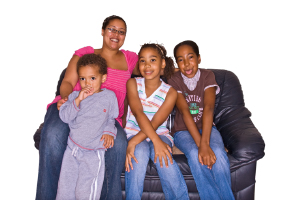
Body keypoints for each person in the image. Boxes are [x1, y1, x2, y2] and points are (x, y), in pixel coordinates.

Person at [36, 15, 139, 200]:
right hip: (74, 105)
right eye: (111, 29)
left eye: (121, 31)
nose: (116, 34)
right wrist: (68, 99)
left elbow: (152, 66)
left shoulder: (130, 59)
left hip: (106, 117)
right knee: (52, 135)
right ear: (102, 31)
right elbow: (68, 81)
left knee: (119, 143)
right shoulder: (84, 52)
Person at [167, 40, 235, 200]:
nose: (186, 64)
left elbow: (209, 108)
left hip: (207, 128)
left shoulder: (207, 75)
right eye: (180, 60)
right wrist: (201, 146)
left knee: (217, 152)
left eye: (190, 57)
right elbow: (184, 111)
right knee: (195, 154)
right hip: (182, 131)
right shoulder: (174, 79)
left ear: (199, 58)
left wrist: (205, 143)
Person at [124, 43, 189, 200]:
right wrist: (133, 143)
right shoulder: (132, 83)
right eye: (142, 61)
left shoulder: (170, 92)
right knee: (138, 152)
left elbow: (155, 123)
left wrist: (156, 142)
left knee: (163, 156)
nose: (147, 65)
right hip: (134, 132)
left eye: (152, 60)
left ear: (163, 63)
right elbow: (139, 113)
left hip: (159, 133)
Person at [56, 54, 118, 200]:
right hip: (72, 150)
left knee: (86, 192)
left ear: (102, 78)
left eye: (92, 78)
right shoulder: (75, 96)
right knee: (65, 190)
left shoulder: (109, 97)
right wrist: (77, 100)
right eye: (83, 78)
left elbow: (111, 119)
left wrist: (109, 132)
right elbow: (65, 117)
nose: (87, 83)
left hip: (93, 153)